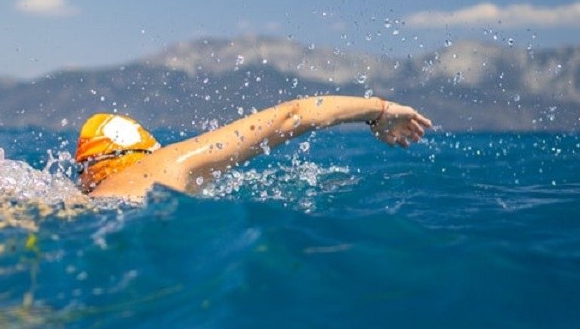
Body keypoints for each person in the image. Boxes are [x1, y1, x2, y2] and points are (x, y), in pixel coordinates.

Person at [75, 96, 432, 200]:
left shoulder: (83, 198)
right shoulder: (166, 166)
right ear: (148, 154)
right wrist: (380, 111)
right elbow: (292, 116)